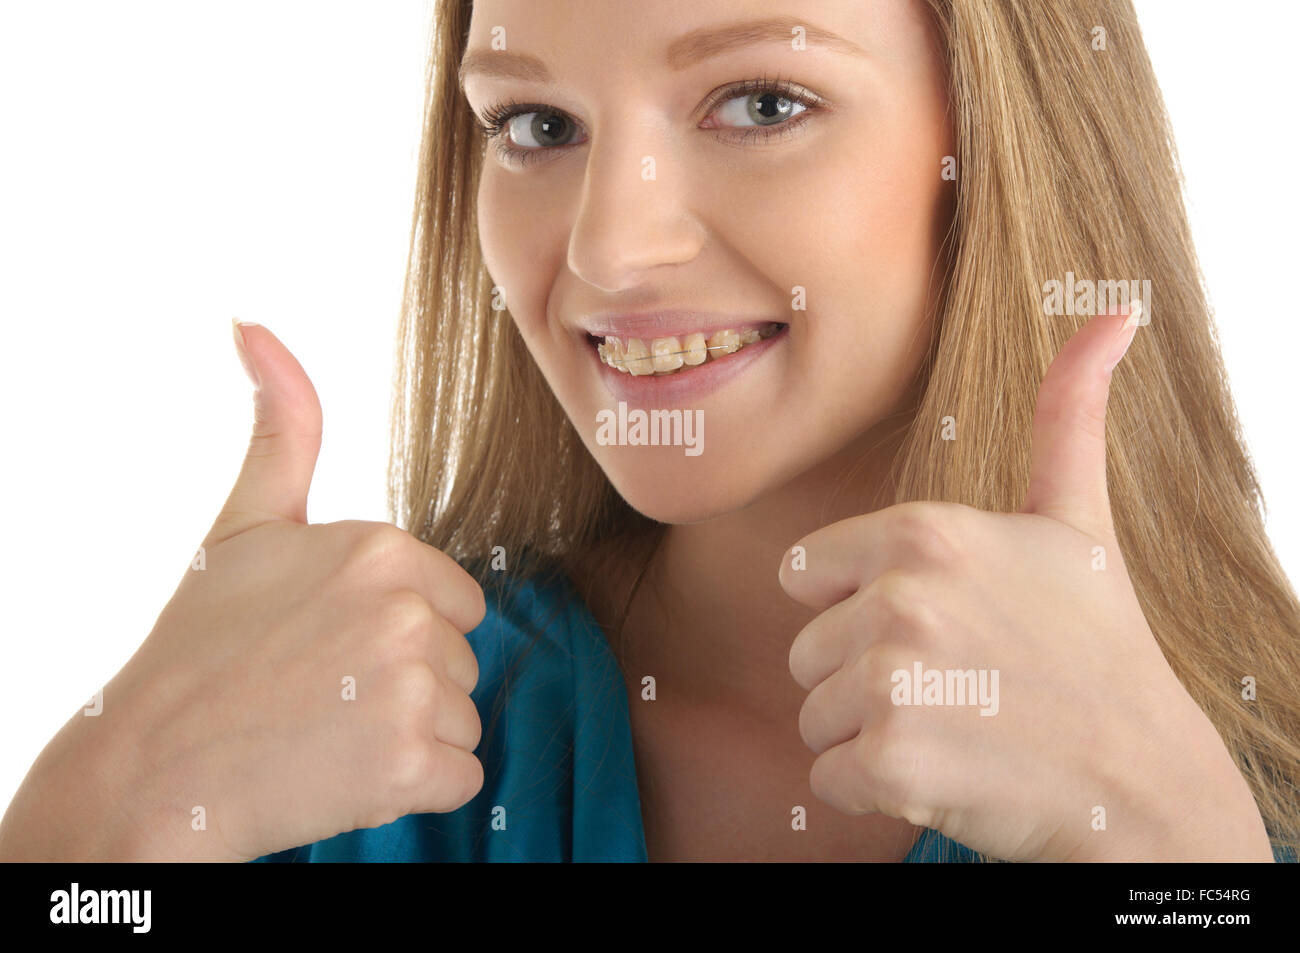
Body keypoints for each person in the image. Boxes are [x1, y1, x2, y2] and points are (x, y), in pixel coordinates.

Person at [2, 0, 1297, 863]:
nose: (608, 252)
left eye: (761, 103)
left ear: (1008, 141)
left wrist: (1179, 850)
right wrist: (95, 810)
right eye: (537, 124)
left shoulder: (1239, 773)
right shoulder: (340, 761)